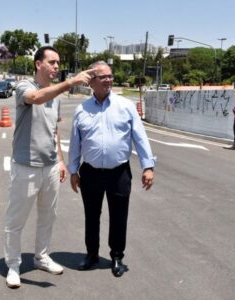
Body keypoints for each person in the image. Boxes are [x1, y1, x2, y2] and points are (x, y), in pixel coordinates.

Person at [4, 46, 95, 289]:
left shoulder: (55, 97)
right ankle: (13, 265)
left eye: (58, 63)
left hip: (50, 166)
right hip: (26, 166)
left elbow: (54, 130)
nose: (56, 67)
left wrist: (61, 161)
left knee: (48, 216)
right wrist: (69, 83)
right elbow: (35, 98)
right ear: (38, 64)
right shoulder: (25, 86)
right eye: (52, 62)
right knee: (16, 220)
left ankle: (41, 256)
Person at [68, 61, 155, 278]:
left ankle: (117, 256)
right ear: (91, 81)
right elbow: (75, 143)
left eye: (110, 76)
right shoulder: (81, 110)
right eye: (103, 77)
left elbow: (140, 137)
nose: (109, 80)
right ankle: (92, 254)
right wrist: (73, 170)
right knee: (91, 216)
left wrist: (148, 166)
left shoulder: (125, 106)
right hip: (90, 172)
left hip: (119, 173)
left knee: (119, 216)